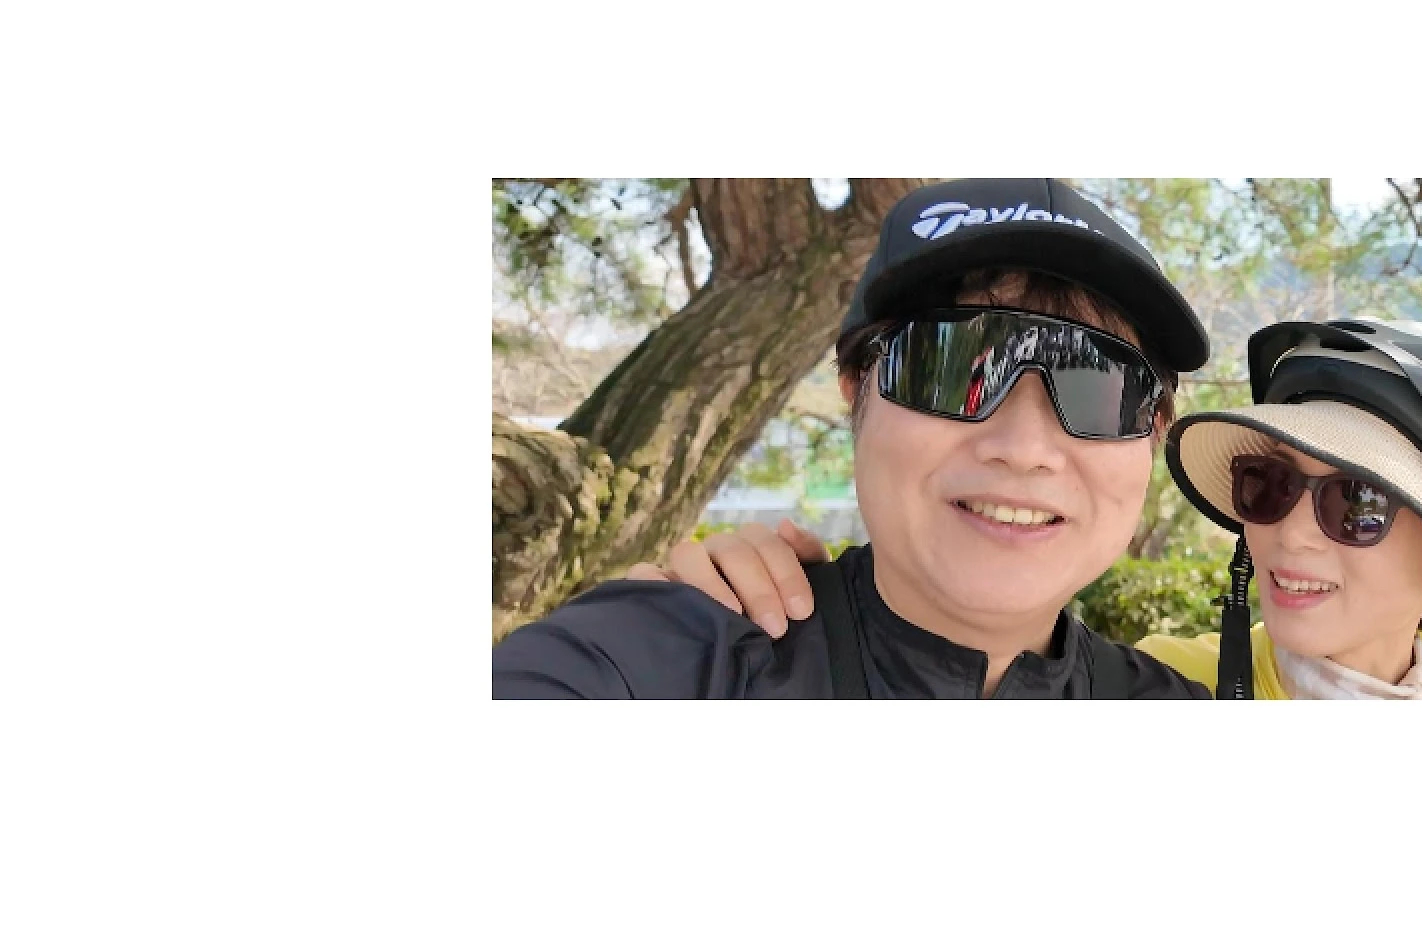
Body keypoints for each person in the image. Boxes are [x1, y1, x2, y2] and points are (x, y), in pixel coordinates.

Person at [492, 177, 1213, 699]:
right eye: (951, 366)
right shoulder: (657, 661)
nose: (1024, 448)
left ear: (1152, 435)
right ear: (855, 390)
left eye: (1098, 388)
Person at [659, 317, 1422, 700]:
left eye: (1358, 502)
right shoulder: (1164, 686)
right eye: (1268, 484)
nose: (1286, 531)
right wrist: (716, 614)